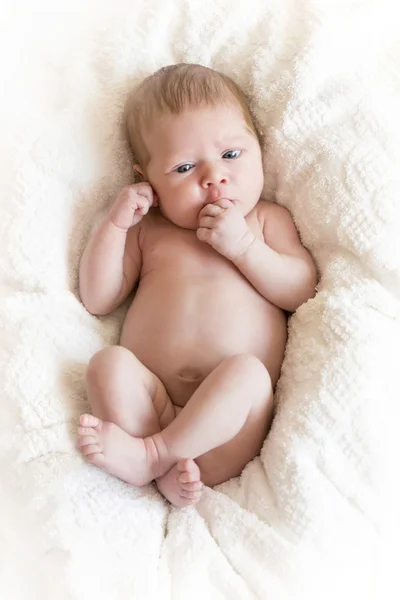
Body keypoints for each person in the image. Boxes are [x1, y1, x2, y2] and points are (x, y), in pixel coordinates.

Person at [77, 63, 317, 507]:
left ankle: (156, 455)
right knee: (106, 365)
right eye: (184, 167)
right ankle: (158, 458)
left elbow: (302, 288)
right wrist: (113, 226)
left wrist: (245, 248)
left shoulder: (264, 220)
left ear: (259, 149)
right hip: (152, 410)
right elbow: (98, 298)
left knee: (247, 373)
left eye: (231, 155)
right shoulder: (149, 231)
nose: (213, 177)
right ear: (146, 180)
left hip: (231, 428)